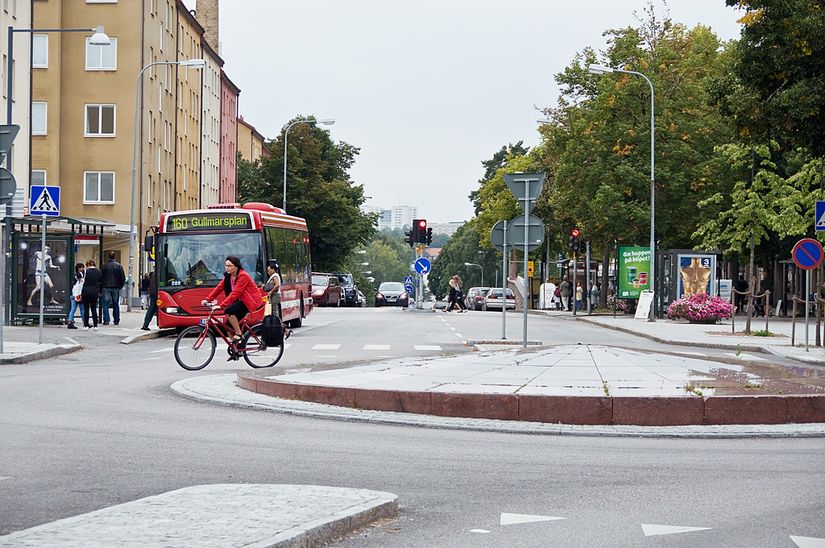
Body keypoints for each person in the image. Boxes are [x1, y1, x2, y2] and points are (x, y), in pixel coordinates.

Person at [203, 256, 263, 342]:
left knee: (228, 311)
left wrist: (221, 306)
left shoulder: (243, 276)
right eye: (226, 266)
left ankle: (238, 333)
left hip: (250, 302)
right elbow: (219, 288)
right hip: (241, 301)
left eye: (230, 266)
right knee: (227, 326)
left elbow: (235, 293)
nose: (227, 268)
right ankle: (235, 348)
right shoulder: (229, 276)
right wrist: (207, 299)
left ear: (236, 267)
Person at [262, 260, 291, 339]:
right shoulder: (274, 276)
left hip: (275, 296)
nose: (268, 272)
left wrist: (270, 292)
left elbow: (277, 285)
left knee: (275, 314)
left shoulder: (275, 276)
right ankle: (283, 329)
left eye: (269, 270)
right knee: (273, 314)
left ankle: (285, 329)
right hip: (274, 296)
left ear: (273, 269)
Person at [101, 252, 126, 325]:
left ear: (109, 257)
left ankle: (106, 320)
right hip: (116, 287)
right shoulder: (119, 266)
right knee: (115, 304)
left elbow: (101, 277)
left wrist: (101, 287)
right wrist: (120, 286)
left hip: (106, 286)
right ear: (115, 257)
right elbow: (122, 277)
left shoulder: (104, 266)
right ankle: (116, 320)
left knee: (105, 304)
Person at [81, 259, 102, 331]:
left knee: (86, 309)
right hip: (95, 291)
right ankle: (95, 326)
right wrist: (99, 291)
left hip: (86, 291)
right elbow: (101, 282)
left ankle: (86, 325)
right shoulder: (99, 272)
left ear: (87, 264)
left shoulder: (85, 271)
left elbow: (82, 281)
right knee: (93, 308)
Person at [66, 263, 86, 329]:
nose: (82, 268)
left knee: (73, 309)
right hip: (79, 294)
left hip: (73, 293)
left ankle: (70, 322)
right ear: (78, 268)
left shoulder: (75, 276)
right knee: (82, 309)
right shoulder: (80, 275)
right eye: (81, 267)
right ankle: (85, 322)